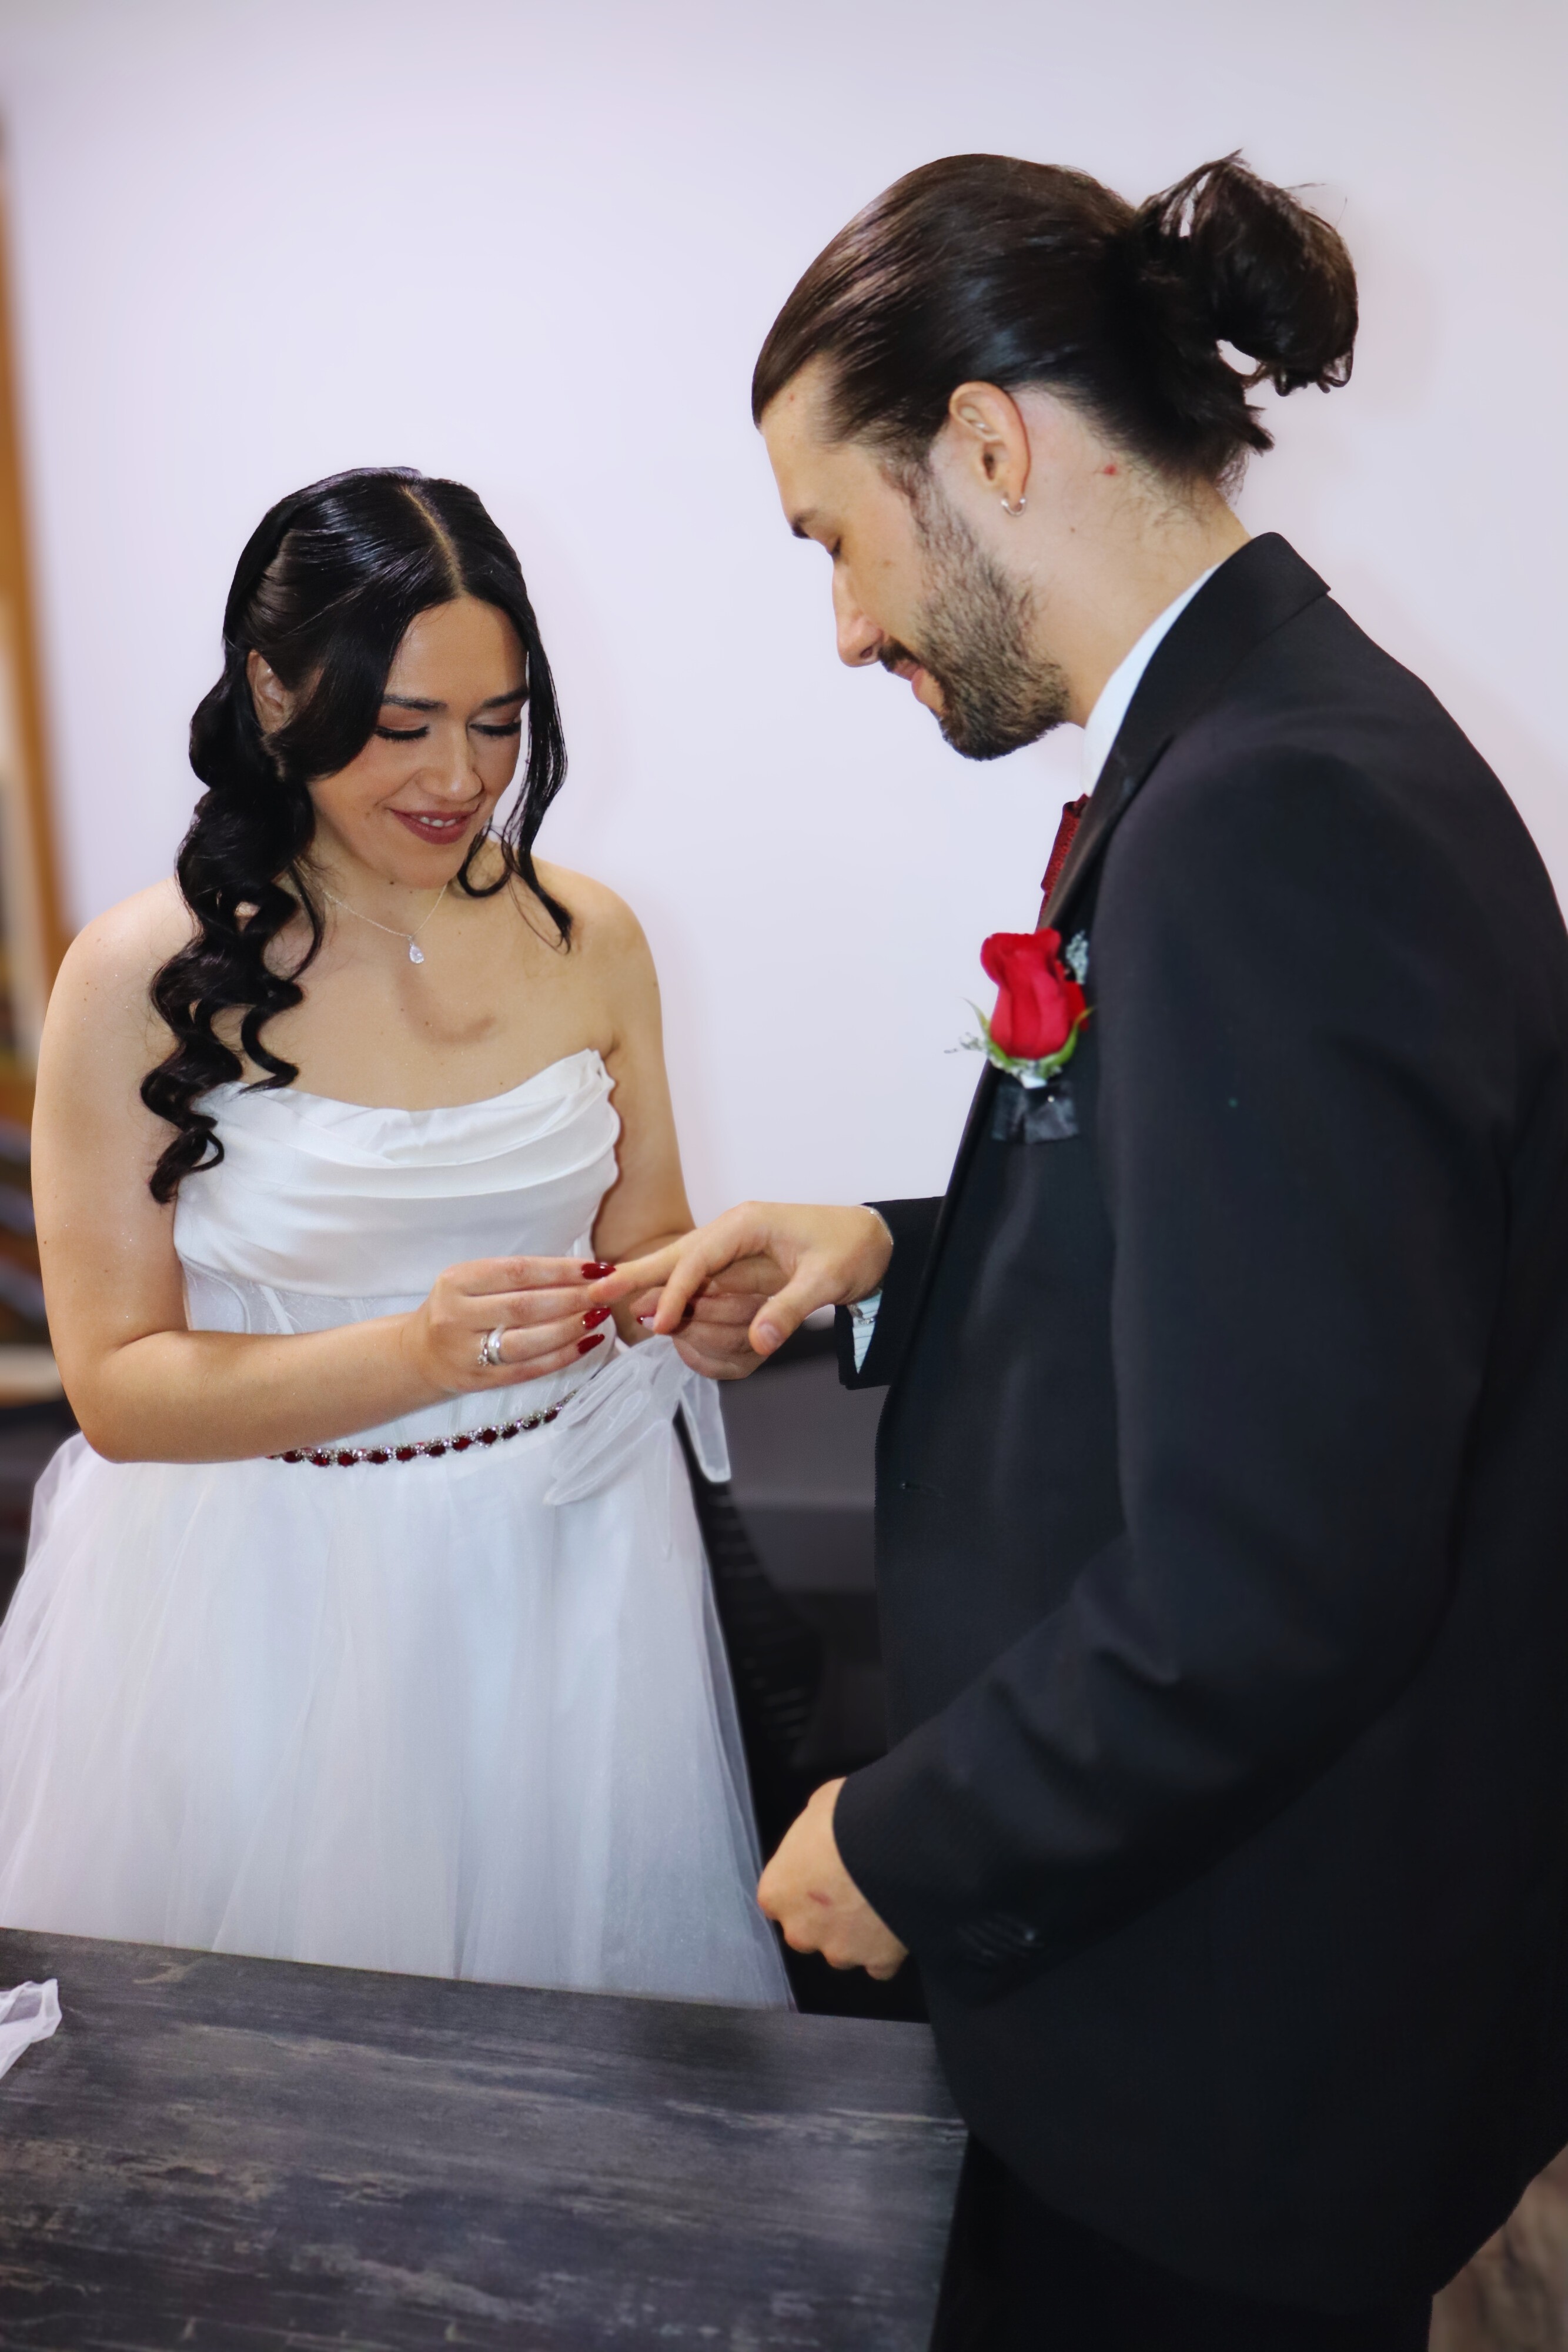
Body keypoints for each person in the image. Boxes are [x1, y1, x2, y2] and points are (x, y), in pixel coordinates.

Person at [607, 154, 1568, 2344]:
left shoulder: (1268, 814)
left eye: (829, 538)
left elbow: (1276, 1575)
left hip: (1233, 2026)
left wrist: (905, 1840)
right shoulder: (1273, 737)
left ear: (985, 444)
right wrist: (897, 1250)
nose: (845, 626)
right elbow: (1307, 1268)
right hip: (1261, 1974)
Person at [0, 466, 787, 2010]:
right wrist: (418, 1354)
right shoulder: (139, 974)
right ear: (273, 689)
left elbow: (646, 1250)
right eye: (403, 724)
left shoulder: (593, 937)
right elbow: (119, 1389)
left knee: (584, 2054)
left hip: (572, 1565)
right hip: (269, 1588)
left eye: (497, 723)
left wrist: (701, 1306)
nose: (458, 777)